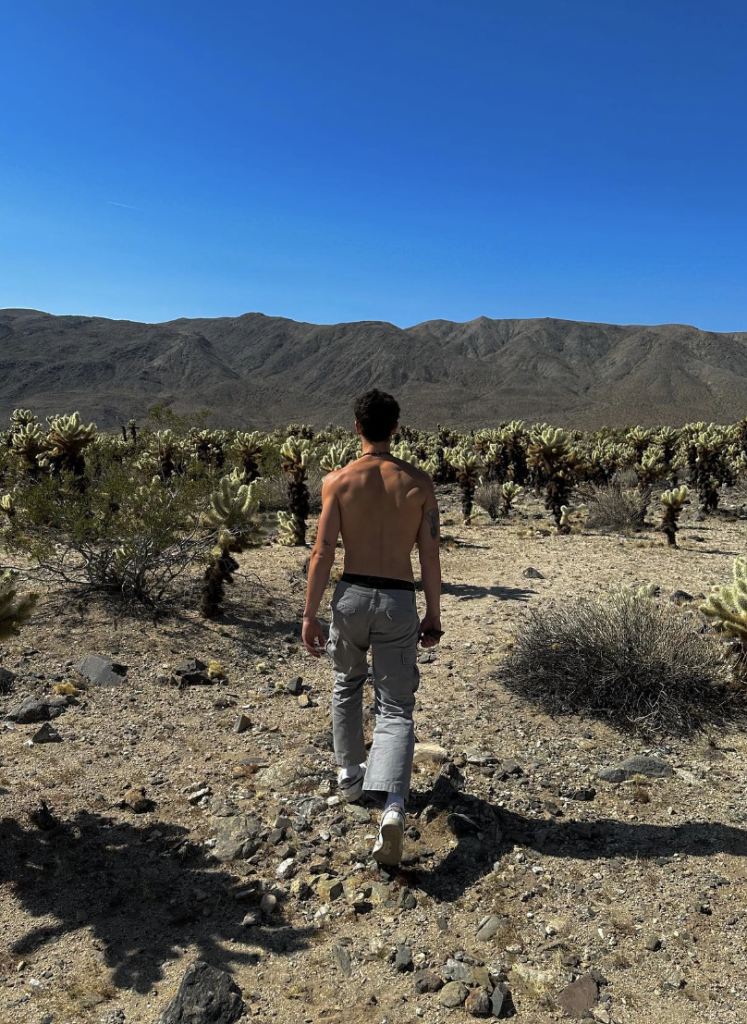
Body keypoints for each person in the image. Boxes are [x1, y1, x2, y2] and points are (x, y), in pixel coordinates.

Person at [302, 389, 442, 866]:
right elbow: (429, 554)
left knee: (347, 684)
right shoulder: (419, 484)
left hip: (352, 596)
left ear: (356, 427)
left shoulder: (336, 482)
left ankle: (350, 777)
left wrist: (309, 613)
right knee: (396, 702)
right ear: (396, 428)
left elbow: (322, 553)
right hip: (399, 600)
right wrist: (434, 613)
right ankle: (394, 806)